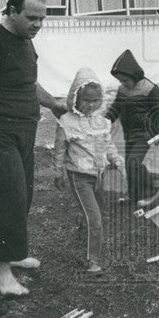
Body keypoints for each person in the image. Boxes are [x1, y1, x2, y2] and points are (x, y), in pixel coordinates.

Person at [0, 0, 65, 297]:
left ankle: (15, 252)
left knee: (24, 197)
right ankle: (2, 274)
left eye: (42, 19)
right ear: (11, 11)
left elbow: (28, 82)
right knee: (9, 199)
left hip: (25, 131)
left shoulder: (24, 42)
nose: (37, 25)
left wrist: (54, 104)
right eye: (31, 18)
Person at [53, 67, 124, 274]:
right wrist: (58, 173)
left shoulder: (102, 122)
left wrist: (116, 160)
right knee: (96, 219)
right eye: (86, 100)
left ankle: (83, 224)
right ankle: (92, 260)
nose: (90, 104)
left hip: (99, 175)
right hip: (79, 176)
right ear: (75, 98)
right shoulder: (66, 122)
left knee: (96, 212)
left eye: (95, 100)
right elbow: (59, 151)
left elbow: (108, 144)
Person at [106, 49, 159, 207]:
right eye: (120, 81)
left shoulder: (149, 88)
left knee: (134, 162)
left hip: (144, 133)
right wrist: (105, 121)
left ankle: (153, 192)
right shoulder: (123, 89)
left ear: (134, 75)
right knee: (129, 165)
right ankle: (133, 196)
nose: (123, 84)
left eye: (125, 80)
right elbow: (116, 108)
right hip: (130, 134)